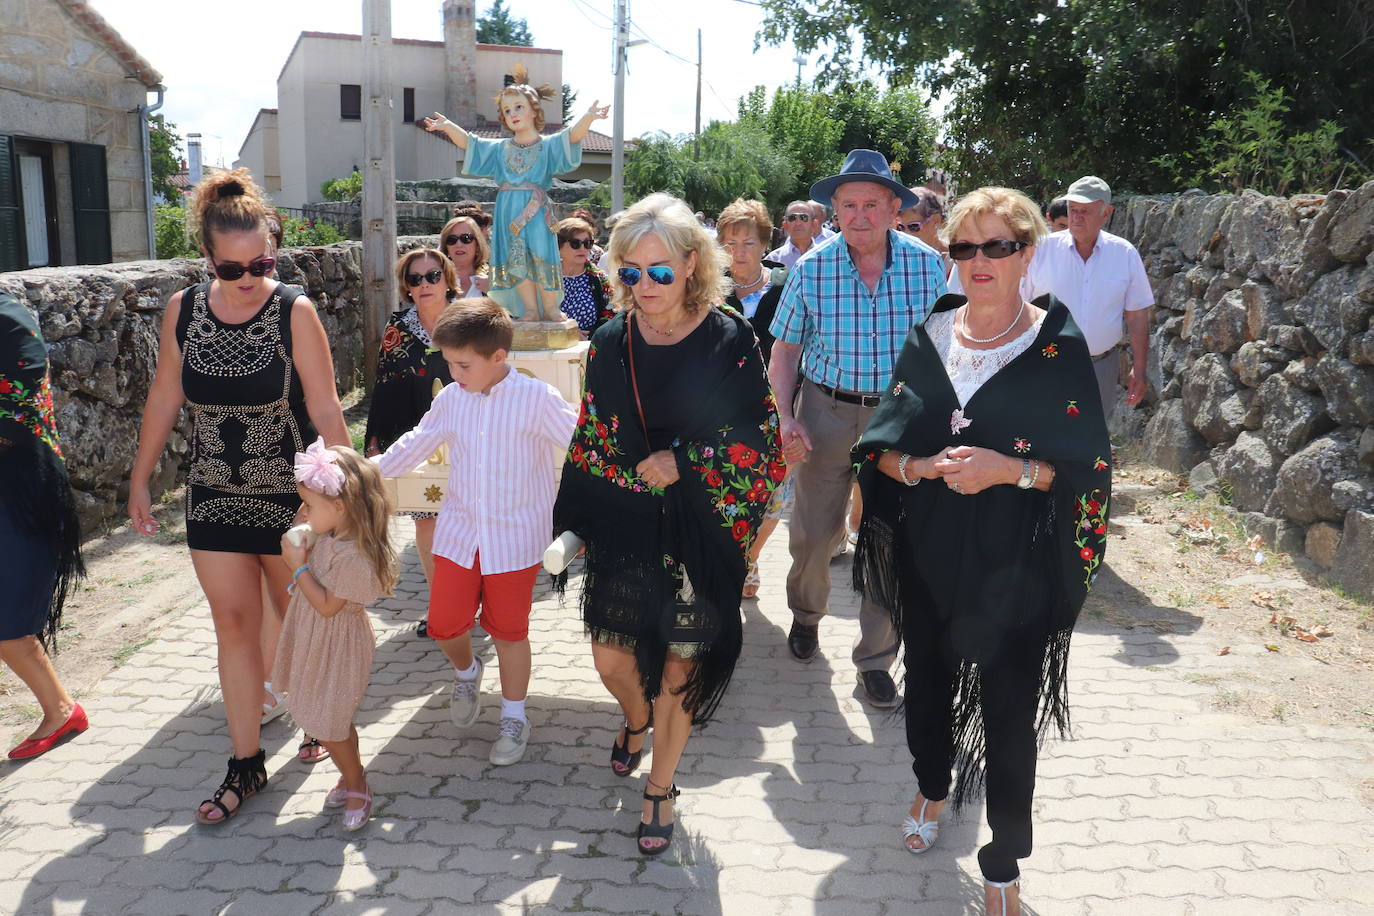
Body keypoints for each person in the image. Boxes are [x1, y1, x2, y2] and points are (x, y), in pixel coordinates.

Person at [851, 186, 1112, 916]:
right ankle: (932, 786)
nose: (980, 261)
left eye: (998, 246)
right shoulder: (931, 333)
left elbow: (1086, 466)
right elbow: (882, 447)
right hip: (928, 547)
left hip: (1016, 561)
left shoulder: (1057, 347)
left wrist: (1009, 469)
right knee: (928, 688)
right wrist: (919, 467)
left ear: (1028, 252)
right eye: (964, 247)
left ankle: (1002, 860)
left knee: (1007, 711)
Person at [552, 192, 782, 855]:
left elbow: (758, 441)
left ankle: (661, 787)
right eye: (630, 271)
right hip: (626, 525)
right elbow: (592, 436)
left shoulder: (729, 339)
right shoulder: (607, 341)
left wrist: (685, 461)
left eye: (659, 271)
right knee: (610, 657)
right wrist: (574, 519)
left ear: (689, 265)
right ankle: (635, 719)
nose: (644, 285)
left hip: (701, 530)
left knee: (682, 664)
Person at [128, 168, 349, 823]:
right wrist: (140, 478)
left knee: (300, 621)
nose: (249, 277)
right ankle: (246, 763)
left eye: (262, 262)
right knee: (234, 627)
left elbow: (327, 408)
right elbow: (166, 395)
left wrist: (351, 495)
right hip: (214, 494)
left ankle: (318, 721)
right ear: (206, 259)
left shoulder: (294, 309)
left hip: (290, 499)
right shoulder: (183, 311)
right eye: (232, 269)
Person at [768, 150, 945, 707]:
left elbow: (944, 351)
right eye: (849, 205)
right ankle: (806, 615)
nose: (860, 215)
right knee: (815, 534)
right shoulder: (812, 268)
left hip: (898, 414)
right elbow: (785, 350)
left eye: (872, 203)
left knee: (888, 539)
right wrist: (786, 417)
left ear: (895, 208)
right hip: (825, 410)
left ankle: (875, 658)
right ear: (833, 211)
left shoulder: (926, 265)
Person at [376, 298, 577, 766]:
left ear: (499, 358)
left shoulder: (536, 398)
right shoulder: (450, 399)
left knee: (509, 631)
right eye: (448, 363)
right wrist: (366, 473)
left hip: (515, 540)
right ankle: (467, 672)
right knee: (445, 624)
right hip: (460, 534)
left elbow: (581, 446)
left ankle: (513, 715)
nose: (454, 372)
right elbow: (416, 444)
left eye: (463, 364)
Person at [269, 440, 394, 830]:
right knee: (332, 717)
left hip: (339, 643)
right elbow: (301, 530)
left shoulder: (354, 555)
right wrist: (305, 529)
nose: (302, 513)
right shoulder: (332, 533)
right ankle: (350, 772)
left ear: (339, 508)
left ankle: (358, 784)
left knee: (330, 721)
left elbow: (327, 606)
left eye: (309, 505)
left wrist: (297, 567)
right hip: (316, 636)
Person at [421, 65, 609, 321]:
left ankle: (550, 308)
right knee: (516, 258)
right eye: (507, 110)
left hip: (536, 208)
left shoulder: (547, 145)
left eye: (519, 106)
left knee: (541, 255)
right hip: (509, 209)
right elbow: (471, 144)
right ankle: (529, 309)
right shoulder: (500, 148)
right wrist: (449, 127)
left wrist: (588, 117)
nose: (513, 114)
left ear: (534, 110)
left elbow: (571, 138)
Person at [1, 294, 87, 761]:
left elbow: (23, 383)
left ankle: (60, 710)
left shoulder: (7, 317)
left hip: (21, 492)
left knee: (9, 623)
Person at [364, 248, 461, 636]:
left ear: (447, 278)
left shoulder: (470, 318)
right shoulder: (398, 327)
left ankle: (476, 599)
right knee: (428, 524)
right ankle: (442, 608)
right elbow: (385, 385)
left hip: (468, 438)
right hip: (419, 442)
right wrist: (377, 446)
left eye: (432, 276)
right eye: (415, 278)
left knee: (472, 525)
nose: (424, 285)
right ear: (406, 285)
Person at [1026, 176, 1153, 423]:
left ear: (1106, 212)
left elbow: (1137, 315)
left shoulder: (1124, 253)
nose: (1076, 217)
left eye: (1085, 211)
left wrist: (1139, 368)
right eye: (1073, 209)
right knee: (1046, 435)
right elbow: (1019, 307)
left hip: (1101, 366)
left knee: (1092, 439)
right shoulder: (1041, 250)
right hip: (1046, 363)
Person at [718, 198, 790, 599]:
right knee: (730, 491)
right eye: (729, 243)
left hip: (776, 407)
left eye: (747, 242)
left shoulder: (785, 285)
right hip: (720, 411)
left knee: (775, 496)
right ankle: (733, 556)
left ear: (764, 243)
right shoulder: (708, 288)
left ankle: (749, 556)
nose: (739, 251)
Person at [554, 216, 614, 336]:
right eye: (575, 244)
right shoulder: (546, 278)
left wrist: (590, 334)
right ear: (558, 245)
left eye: (587, 243)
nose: (583, 249)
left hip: (588, 347)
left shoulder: (600, 280)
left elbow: (610, 317)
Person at [898, 187, 950, 276]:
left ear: (935, 220)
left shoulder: (957, 259)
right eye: (900, 227)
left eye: (913, 226)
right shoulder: (898, 260)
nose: (905, 234)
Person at [438, 215, 491, 297]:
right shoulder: (435, 279)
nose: (458, 245)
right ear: (446, 247)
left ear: (477, 244)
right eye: (452, 240)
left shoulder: (493, 279)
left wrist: (495, 292)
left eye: (466, 238)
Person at [766, 200, 820, 270]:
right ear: (785, 225)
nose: (798, 223)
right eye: (792, 218)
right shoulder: (773, 259)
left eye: (804, 217)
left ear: (814, 224)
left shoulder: (827, 257)